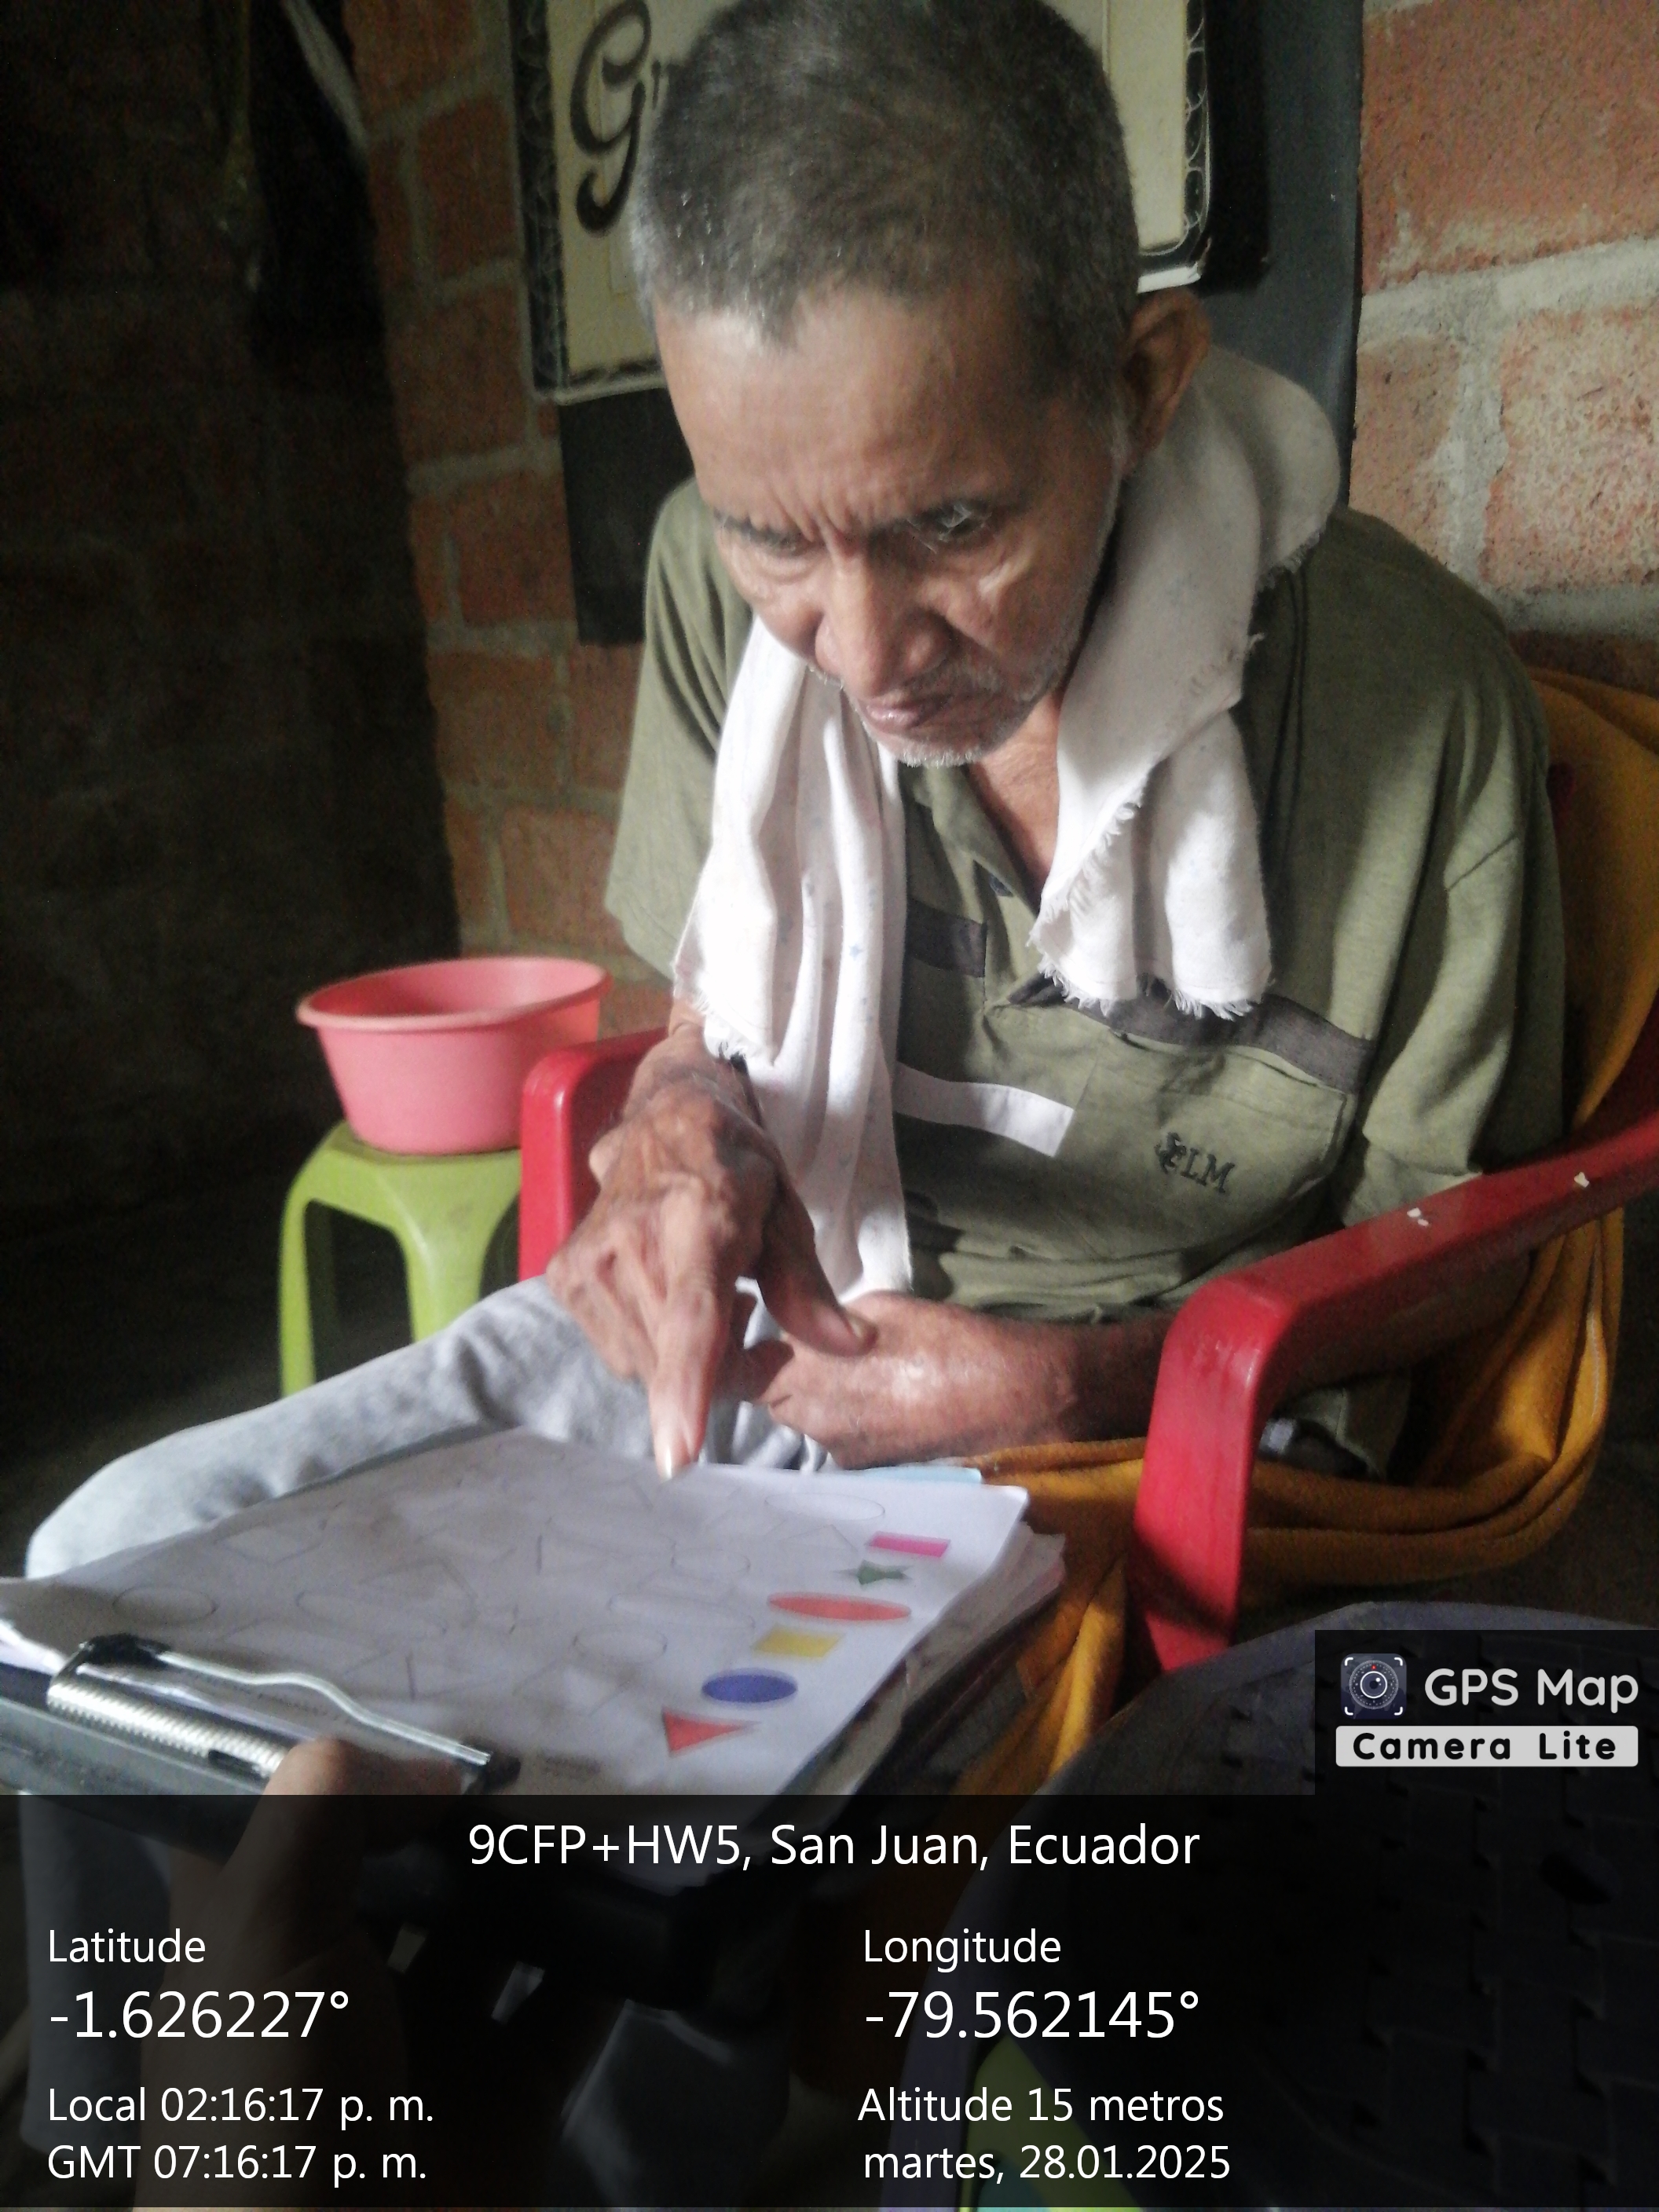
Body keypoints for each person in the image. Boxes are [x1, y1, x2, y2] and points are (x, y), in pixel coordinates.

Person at [22, 0, 1562, 2185]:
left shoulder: (1419, 710)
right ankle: (223, 2137)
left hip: (1137, 1416)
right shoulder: (704, 590)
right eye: (778, 540)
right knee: (105, 1575)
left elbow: (1457, 1255)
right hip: (773, 1329)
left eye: (953, 521)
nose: (861, 649)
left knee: (733, 1841)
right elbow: (706, 1022)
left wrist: (1077, 1375)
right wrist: (679, 1140)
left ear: (1138, 384)